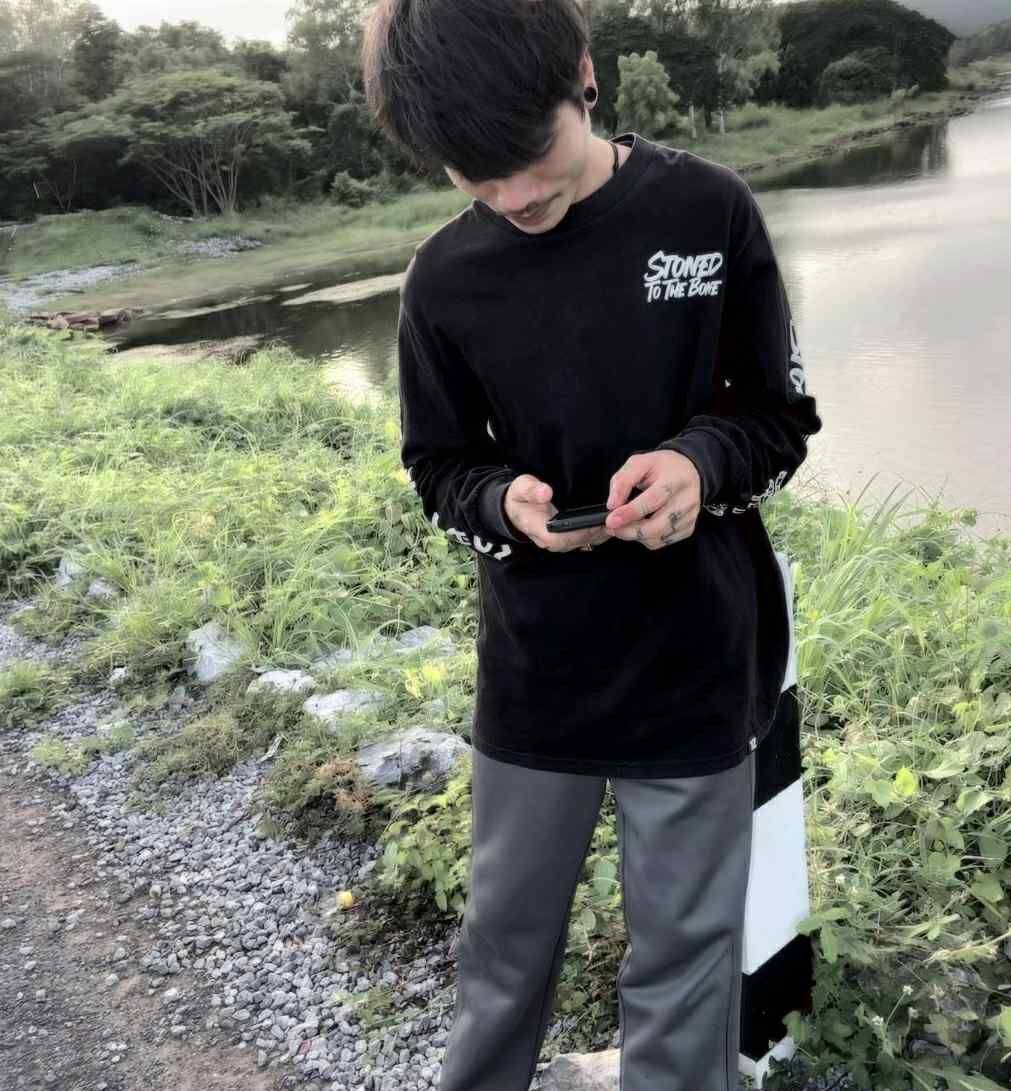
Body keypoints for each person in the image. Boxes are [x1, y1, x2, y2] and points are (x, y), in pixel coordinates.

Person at [362, 2, 823, 1088]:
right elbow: (437, 465)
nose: (519, 200)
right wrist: (500, 505)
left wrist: (699, 466)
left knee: (686, 958)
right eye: (479, 183)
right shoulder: (443, 279)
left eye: (538, 163)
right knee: (503, 950)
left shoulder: (708, 210)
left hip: (699, 659)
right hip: (537, 676)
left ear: (583, 73)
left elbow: (779, 416)